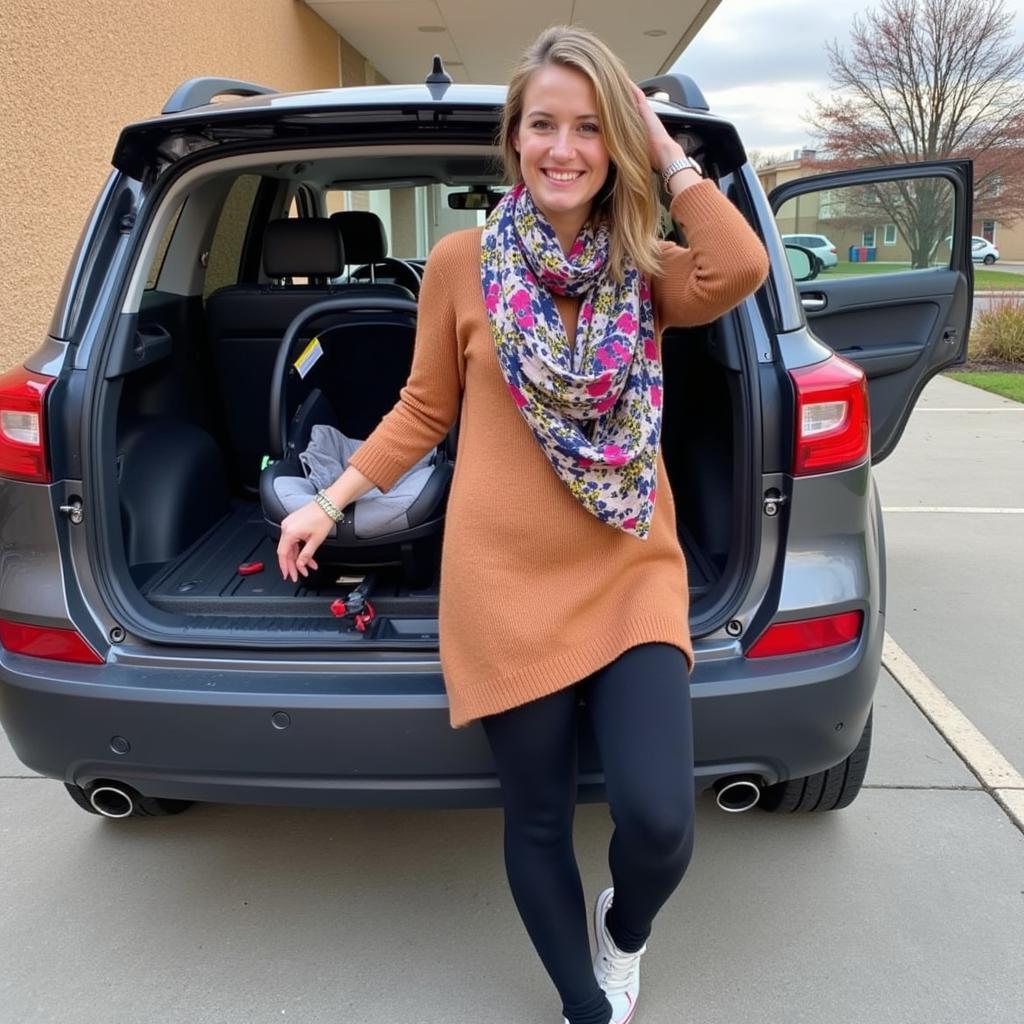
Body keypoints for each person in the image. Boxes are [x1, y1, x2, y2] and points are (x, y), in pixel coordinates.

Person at [277, 24, 770, 1024]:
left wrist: (666, 151)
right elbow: (423, 408)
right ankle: (583, 1000)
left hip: (629, 568)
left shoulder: (644, 260)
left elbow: (742, 264)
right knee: (537, 818)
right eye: (543, 124)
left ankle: (621, 929)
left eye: (589, 128)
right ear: (513, 142)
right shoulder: (462, 263)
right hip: (502, 582)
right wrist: (331, 498)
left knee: (660, 821)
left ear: (613, 146)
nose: (563, 147)